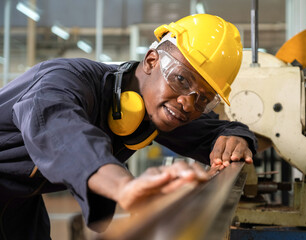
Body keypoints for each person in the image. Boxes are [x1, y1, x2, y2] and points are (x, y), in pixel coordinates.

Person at [0, 14, 257, 239]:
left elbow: (217, 130)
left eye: (204, 98)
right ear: (151, 61)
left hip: (21, 204)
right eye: (181, 78)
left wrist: (236, 137)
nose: (188, 103)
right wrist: (123, 186)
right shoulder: (66, 81)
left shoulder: (162, 106)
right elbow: (60, 131)